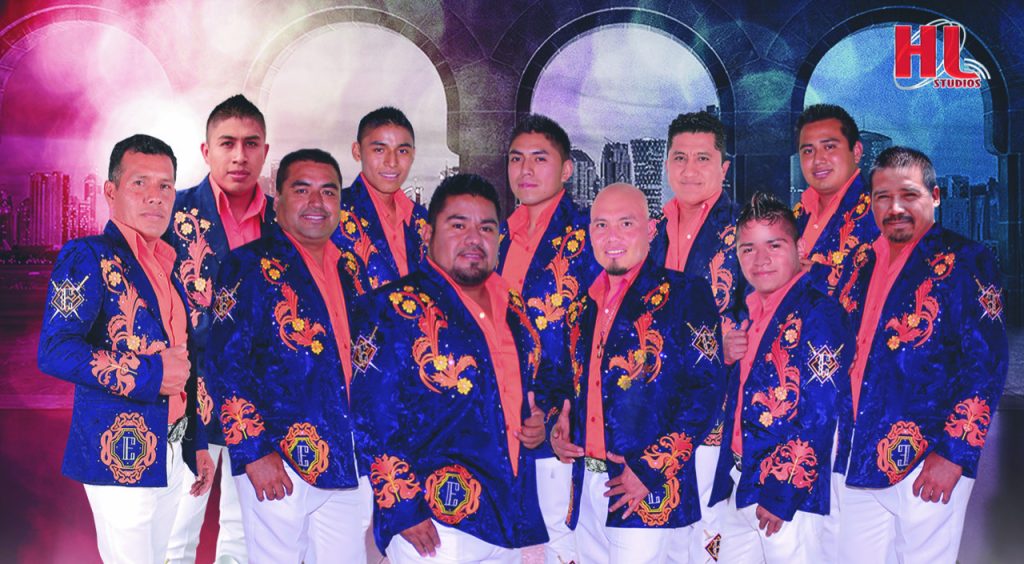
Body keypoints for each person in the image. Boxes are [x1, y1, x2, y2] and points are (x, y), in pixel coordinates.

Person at [351, 173, 549, 563]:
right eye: (458, 225)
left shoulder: (513, 307)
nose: (474, 238)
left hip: (508, 513)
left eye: (486, 228)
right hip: (436, 518)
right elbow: (371, 415)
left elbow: (523, 387)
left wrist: (538, 420)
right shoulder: (391, 308)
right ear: (428, 233)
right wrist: (401, 505)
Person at [39, 134, 214, 563]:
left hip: (172, 449)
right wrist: (150, 373)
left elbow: (185, 363)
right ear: (111, 192)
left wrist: (197, 442)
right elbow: (56, 349)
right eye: (140, 183)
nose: (155, 196)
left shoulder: (169, 266)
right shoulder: (86, 256)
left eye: (165, 185)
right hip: (118, 449)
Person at [835, 147, 1007, 564]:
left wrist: (955, 453)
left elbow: (986, 364)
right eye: (883, 197)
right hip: (855, 451)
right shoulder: (859, 262)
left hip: (926, 454)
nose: (895, 208)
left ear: (935, 196)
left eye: (909, 195)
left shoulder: (966, 260)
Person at [204, 148, 371, 562]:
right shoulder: (248, 266)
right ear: (277, 200)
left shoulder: (350, 270)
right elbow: (225, 364)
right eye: (302, 190)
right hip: (279, 455)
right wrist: (252, 450)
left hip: (347, 455)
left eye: (328, 192)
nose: (317, 203)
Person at [551, 183, 725, 563]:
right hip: (585, 487)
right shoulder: (580, 308)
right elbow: (565, 384)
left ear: (650, 229)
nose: (612, 237)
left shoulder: (684, 294)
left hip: (649, 491)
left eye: (626, 223)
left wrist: (650, 469)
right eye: (601, 225)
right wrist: (556, 426)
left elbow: (707, 391)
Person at [710, 192, 853, 563]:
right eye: (748, 249)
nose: (760, 260)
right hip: (741, 481)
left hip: (787, 496)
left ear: (799, 248)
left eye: (774, 245)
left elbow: (820, 413)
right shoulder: (747, 313)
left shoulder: (820, 314)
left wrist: (784, 490)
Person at [164, 93, 276, 564]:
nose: (239, 156)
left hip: (263, 403)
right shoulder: (171, 215)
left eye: (251, 144)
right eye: (227, 143)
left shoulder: (285, 222)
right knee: (175, 533)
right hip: (190, 398)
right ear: (206, 151)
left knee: (245, 535)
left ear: (265, 151)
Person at [499, 113, 600, 563]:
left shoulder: (590, 236)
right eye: (516, 158)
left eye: (539, 159)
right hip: (501, 424)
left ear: (566, 169)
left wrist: (565, 412)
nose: (525, 170)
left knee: (559, 545)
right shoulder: (495, 237)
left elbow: (601, 338)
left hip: (561, 429)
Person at [650, 111, 743, 562]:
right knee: (661, 530)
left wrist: (739, 336)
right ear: (667, 164)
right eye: (680, 158)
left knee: (709, 530)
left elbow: (773, 306)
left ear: (724, 167)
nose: (690, 170)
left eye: (703, 158)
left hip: (716, 410)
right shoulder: (649, 232)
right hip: (654, 407)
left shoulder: (746, 231)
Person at [332, 106, 428, 290]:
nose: (392, 162)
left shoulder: (422, 219)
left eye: (402, 151)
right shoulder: (334, 214)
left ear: (413, 155)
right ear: (357, 151)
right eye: (379, 150)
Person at [794, 104, 879, 297]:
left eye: (829, 147)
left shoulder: (879, 214)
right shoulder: (797, 214)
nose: (818, 160)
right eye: (808, 151)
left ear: (856, 151)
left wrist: (817, 274)